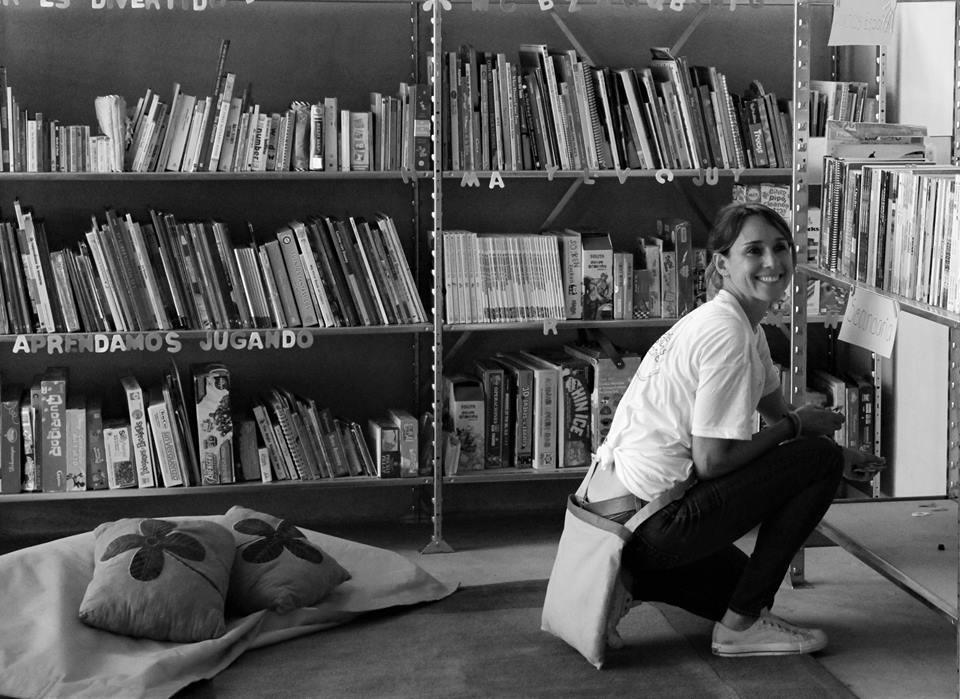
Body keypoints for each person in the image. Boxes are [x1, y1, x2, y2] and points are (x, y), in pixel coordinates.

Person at [583, 202, 885, 657]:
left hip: (618, 515)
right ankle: (739, 629)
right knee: (817, 461)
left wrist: (838, 453)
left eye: (781, 247)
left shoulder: (738, 324)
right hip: (650, 521)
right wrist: (808, 437)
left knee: (741, 588)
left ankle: (629, 580)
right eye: (754, 251)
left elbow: (777, 414)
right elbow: (713, 461)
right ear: (722, 264)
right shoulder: (728, 334)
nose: (772, 262)